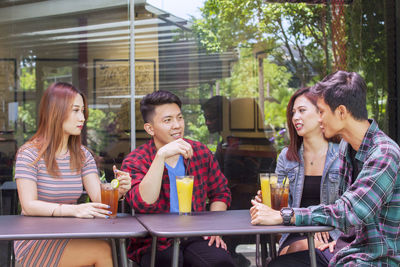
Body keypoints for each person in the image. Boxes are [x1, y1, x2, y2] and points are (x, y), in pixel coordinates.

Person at [250, 71, 400, 266]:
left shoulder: (384, 154)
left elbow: (348, 211)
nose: (319, 119)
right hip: (347, 250)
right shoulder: (348, 148)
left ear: (341, 112)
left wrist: (284, 215)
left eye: (321, 111)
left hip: (373, 258)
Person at [14, 82, 132, 267]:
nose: (82, 117)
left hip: (69, 234)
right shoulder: (29, 153)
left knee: (108, 246)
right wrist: (74, 210)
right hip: (36, 240)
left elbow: (99, 197)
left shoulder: (82, 154)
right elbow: (29, 205)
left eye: (83, 111)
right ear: (56, 111)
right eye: (76, 110)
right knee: (101, 250)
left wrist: (119, 189)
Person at [121, 90, 236, 267]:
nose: (177, 125)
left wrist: (214, 228)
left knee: (221, 261)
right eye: (168, 120)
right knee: (166, 262)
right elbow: (143, 203)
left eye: (179, 118)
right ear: (150, 128)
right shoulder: (136, 160)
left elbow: (220, 192)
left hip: (196, 235)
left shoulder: (199, 152)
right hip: (155, 242)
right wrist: (160, 156)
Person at [254, 87, 342, 259]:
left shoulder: (342, 155)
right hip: (294, 231)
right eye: (293, 112)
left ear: (320, 114)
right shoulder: (287, 157)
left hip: (332, 233)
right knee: (296, 249)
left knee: (293, 255)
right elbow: (278, 208)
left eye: (302, 111)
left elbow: (348, 208)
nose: (295, 117)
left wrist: (320, 227)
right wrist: (266, 202)